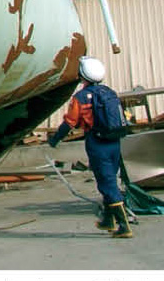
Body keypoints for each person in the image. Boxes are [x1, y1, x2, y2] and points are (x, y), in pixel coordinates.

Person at [48, 56, 133, 238]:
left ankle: (124, 227)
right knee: (110, 179)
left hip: (97, 142)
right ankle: (108, 221)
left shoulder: (80, 98)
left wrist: (55, 139)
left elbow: (70, 122)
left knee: (107, 183)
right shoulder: (110, 92)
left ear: (81, 75)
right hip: (114, 141)